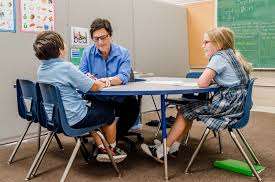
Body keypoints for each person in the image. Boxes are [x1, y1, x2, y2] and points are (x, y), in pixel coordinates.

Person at [141, 27, 252, 163]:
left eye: (206, 42)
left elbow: (202, 83)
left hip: (226, 107)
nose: (203, 46)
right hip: (237, 106)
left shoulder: (218, 57)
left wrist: (209, 80)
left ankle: (161, 151)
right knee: (190, 110)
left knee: (185, 111)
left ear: (219, 44)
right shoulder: (232, 55)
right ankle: (174, 148)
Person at [33, 31, 127, 163]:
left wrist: (85, 79)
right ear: (60, 50)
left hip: (53, 118)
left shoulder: (41, 69)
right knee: (108, 112)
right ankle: (111, 150)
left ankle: (101, 147)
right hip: (73, 119)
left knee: (92, 111)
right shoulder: (66, 67)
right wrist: (101, 81)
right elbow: (94, 87)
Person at [79, 18, 140, 152]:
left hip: (119, 98)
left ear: (110, 35)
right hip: (99, 98)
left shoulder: (123, 53)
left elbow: (124, 76)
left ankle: (112, 140)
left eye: (103, 37)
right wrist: (87, 77)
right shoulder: (87, 53)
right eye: (96, 39)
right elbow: (81, 74)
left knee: (133, 107)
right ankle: (106, 143)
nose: (100, 42)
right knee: (99, 110)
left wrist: (106, 81)